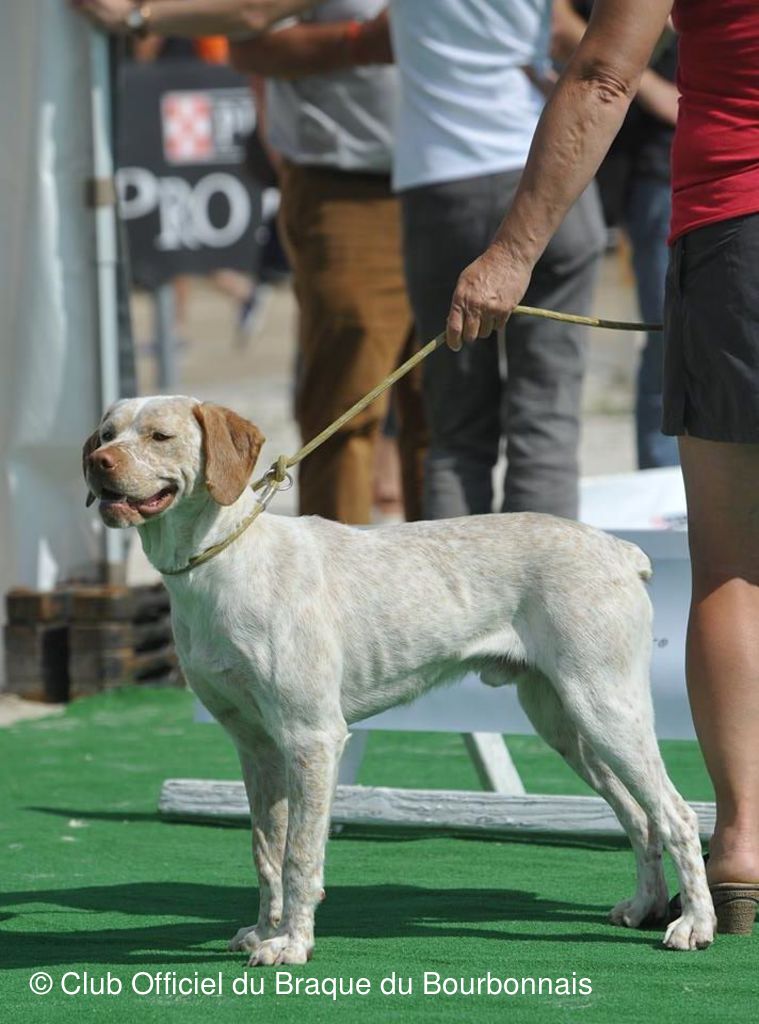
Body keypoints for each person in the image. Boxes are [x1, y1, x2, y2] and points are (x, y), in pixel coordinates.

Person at [446, 0, 759, 923]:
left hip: (736, 233)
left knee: (732, 567)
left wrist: (512, 254)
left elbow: (602, 76)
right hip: (729, 231)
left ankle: (743, 845)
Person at [390, 0, 606, 521]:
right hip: (544, 170)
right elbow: (581, 34)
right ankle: (542, 572)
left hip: (441, 183)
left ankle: (456, 577)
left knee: (456, 433)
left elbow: (256, 13)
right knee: (547, 420)